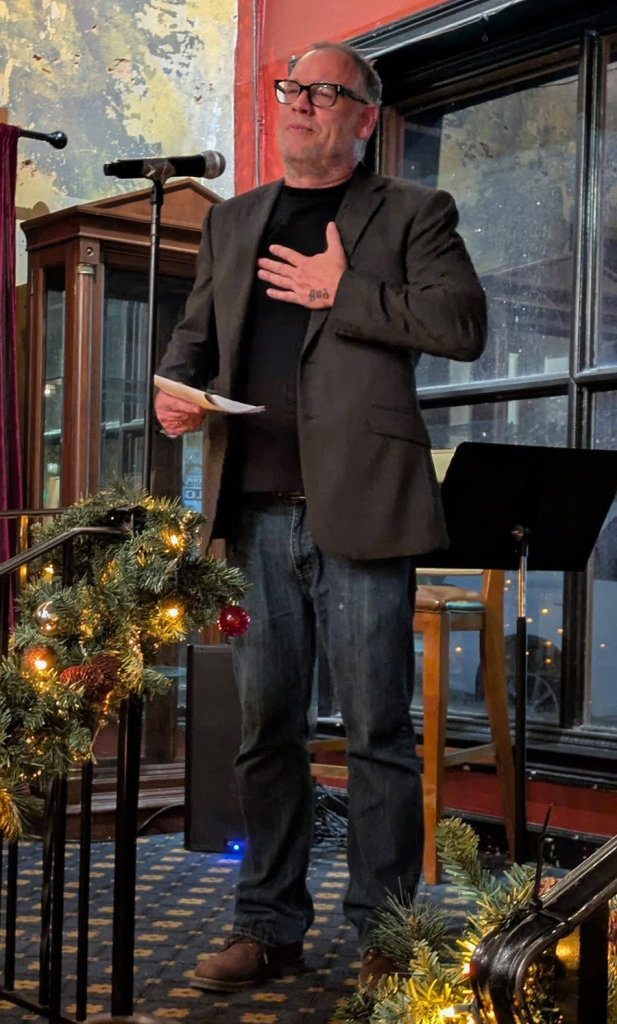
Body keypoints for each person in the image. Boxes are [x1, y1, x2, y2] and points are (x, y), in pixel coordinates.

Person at [155, 40, 486, 992]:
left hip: (364, 509)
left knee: (379, 733)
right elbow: (193, 341)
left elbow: (461, 326)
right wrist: (179, 391)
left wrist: (343, 292)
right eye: (291, 88)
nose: (300, 103)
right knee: (267, 734)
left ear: (363, 117)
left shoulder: (416, 214)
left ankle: (387, 935)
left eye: (324, 92)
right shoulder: (234, 224)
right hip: (253, 514)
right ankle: (267, 927)